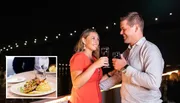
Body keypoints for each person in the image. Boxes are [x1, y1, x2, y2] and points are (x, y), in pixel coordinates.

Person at [110, 12, 164, 103]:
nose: (120, 32)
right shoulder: (127, 52)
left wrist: (125, 68)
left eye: (123, 29)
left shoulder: (151, 50)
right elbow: (118, 76)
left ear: (136, 28)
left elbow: (154, 83)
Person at [69, 29, 121, 103]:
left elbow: (96, 80)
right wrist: (95, 65)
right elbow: (76, 84)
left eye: (98, 39)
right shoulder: (79, 57)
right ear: (84, 40)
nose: (96, 42)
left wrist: (111, 73)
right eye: (93, 38)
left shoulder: (94, 59)